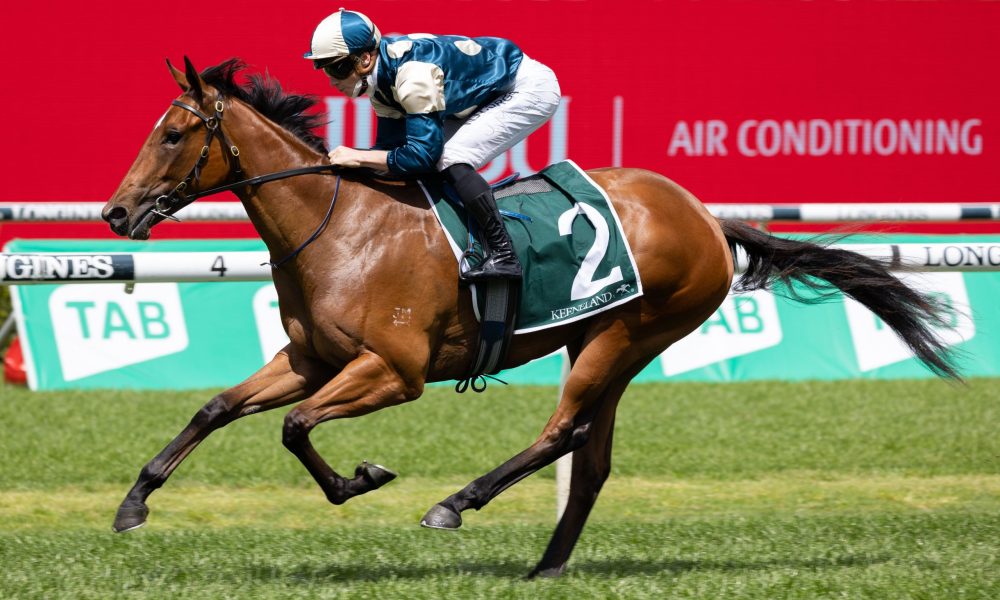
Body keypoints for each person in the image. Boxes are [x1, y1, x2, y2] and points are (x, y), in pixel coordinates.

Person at [304, 8, 561, 283]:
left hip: (525, 87)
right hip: (487, 91)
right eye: (325, 69)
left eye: (337, 67)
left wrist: (358, 157)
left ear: (365, 59)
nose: (331, 79)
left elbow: (422, 156)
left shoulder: (413, 76)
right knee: (416, 158)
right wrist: (354, 162)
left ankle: (504, 254)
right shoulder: (381, 80)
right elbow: (391, 149)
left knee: (450, 157)